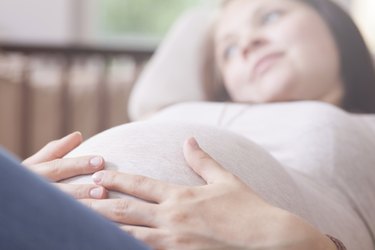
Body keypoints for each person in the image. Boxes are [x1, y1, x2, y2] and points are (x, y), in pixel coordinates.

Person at [17, 0, 375, 249]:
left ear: (333, 19)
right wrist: (20, 196)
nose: (247, 44)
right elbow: (150, 94)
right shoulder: (181, 109)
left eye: (269, 16)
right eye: (228, 51)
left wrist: (312, 247)